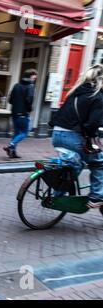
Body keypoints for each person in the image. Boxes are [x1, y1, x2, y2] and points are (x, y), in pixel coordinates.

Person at [49, 64, 103, 208]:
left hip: (56, 134)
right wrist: (94, 138)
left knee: (73, 163)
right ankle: (97, 197)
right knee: (98, 162)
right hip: (72, 137)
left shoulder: (74, 92)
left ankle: (58, 194)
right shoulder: (98, 97)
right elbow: (92, 124)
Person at [3, 69, 38, 158]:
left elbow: (10, 100)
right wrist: (29, 110)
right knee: (24, 133)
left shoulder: (16, 85)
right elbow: (29, 100)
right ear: (30, 76)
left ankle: (12, 152)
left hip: (14, 113)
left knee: (16, 133)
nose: (35, 79)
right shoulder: (30, 86)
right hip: (23, 114)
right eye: (34, 77)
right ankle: (11, 145)